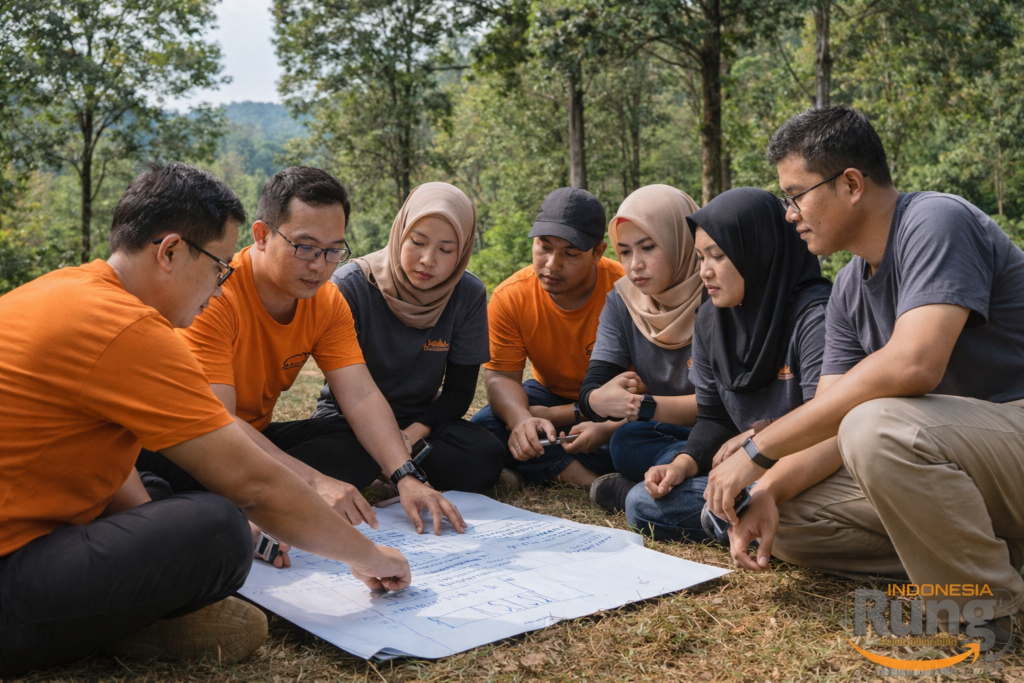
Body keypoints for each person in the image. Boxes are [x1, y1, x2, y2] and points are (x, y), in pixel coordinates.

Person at [0, 163, 410, 676]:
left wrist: (154, 546)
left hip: (38, 525)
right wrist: (369, 557)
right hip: (12, 572)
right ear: (170, 252)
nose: (219, 287)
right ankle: (123, 626)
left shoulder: (68, 288)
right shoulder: (132, 330)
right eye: (218, 267)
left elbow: (112, 462)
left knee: (154, 493)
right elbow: (254, 485)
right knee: (216, 530)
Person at [705, 106, 1024, 636]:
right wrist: (768, 488)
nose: (790, 214)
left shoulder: (935, 221)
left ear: (851, 183)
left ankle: (986, 608)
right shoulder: (849, 290)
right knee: (779, 521)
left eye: (796, 195)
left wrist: (758, 451)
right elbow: (827, 425)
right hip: (958, 469)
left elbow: (914, 363)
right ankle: (991, 555)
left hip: (1010, 438)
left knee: (874, 426)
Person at [136, 166, 464, 536]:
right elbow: (218, 422)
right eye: (305, 247)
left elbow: (361, 397)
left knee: (355, 444)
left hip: (256, 440)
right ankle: (219, 506)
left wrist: (406, 475)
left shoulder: (326, 301)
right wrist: (311, 482)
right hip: (192, 443)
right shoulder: (214, 294)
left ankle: (247, 499)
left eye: (333, 250)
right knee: (208, 470)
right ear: (261, 235)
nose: (319, 265)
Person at [612, 187, 831, 541]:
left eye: (718, 257)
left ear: (758, 253)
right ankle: (739, 517)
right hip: (745, 469)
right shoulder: (711, 320)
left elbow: (826, 419)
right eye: (700, 258)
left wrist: (758, 435)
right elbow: (714, 417)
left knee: (799, 505)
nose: (705, 273)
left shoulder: (814, 316)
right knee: (641, 501)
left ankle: (743, 518)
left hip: (806, 467)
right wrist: (683, 464)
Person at [312, 182, 505, 492]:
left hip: (421, 422)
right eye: (417, 242)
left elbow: (459, 390)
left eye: (446, 250)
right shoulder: (351, 286)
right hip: (349, 420)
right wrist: (387, 444)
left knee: (485, 456)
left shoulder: (468, 294)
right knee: (337, 455)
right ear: (400, 233)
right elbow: (348, 391)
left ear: (464, 250)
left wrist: (409, 436)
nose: (428, 259)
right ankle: (393, 469)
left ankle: (385, 470)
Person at [470, 187, 625, 487]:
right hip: (548, 394)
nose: (552, 264)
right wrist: (522, 421)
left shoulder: (625, 291)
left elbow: (643, 389)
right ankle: (582, 476)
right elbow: (501, 378)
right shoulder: (511, 297)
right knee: (482, 430)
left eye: (570, 253)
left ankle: (544, 468)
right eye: (544, 246)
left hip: (615, 407)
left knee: (636, 438)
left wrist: (557, 416)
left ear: (598, 252)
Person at [576, 185, 704, 513]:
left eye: (648, 248)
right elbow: (595, 384)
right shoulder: (623, 301)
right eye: (625, 251)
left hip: (723, 427)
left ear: (682, 240)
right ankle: (676, 478)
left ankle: (655, 486)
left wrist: (637, 405)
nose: (635, 265)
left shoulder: (716, 291)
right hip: (666, 431)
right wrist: (595, 400)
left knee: (624, 439)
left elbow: (716, 403)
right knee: (625, 441)